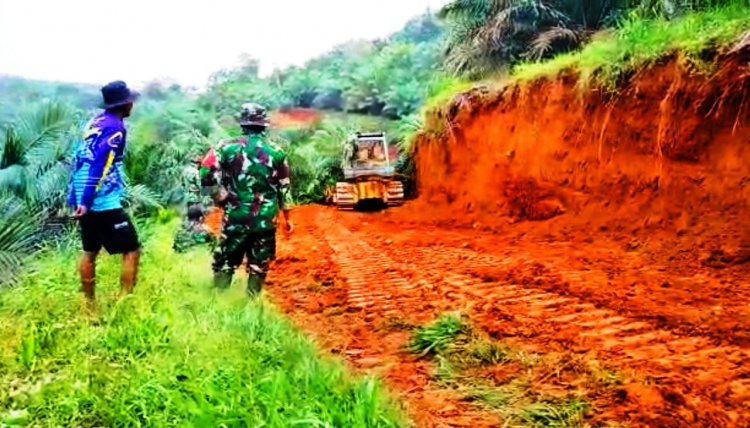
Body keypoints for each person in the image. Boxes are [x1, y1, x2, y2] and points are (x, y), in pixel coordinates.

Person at [199, 103, 294, 296]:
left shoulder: (225, 147)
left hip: (236, 216)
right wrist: (288, 218)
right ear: (263, 125)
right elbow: (284, 186)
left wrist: (219, 196)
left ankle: (219, 302)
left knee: (225, 261)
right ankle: (251, 303)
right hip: (266, 219)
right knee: (259, 264)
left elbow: (205, 170)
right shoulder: (277, 151)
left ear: (243, 125)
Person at [67, 80, 141, 304]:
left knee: (90, 251)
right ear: (125, 104)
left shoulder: (95, 122)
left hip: (82, 194)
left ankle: (90, 306)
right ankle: (123, 302)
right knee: (132, 249)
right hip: (100, 199)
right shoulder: (116, 128)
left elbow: (78, 157)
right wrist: (88, 200)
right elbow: (101, 163)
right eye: (130, 102)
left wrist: (76, 197)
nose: (132, 105)